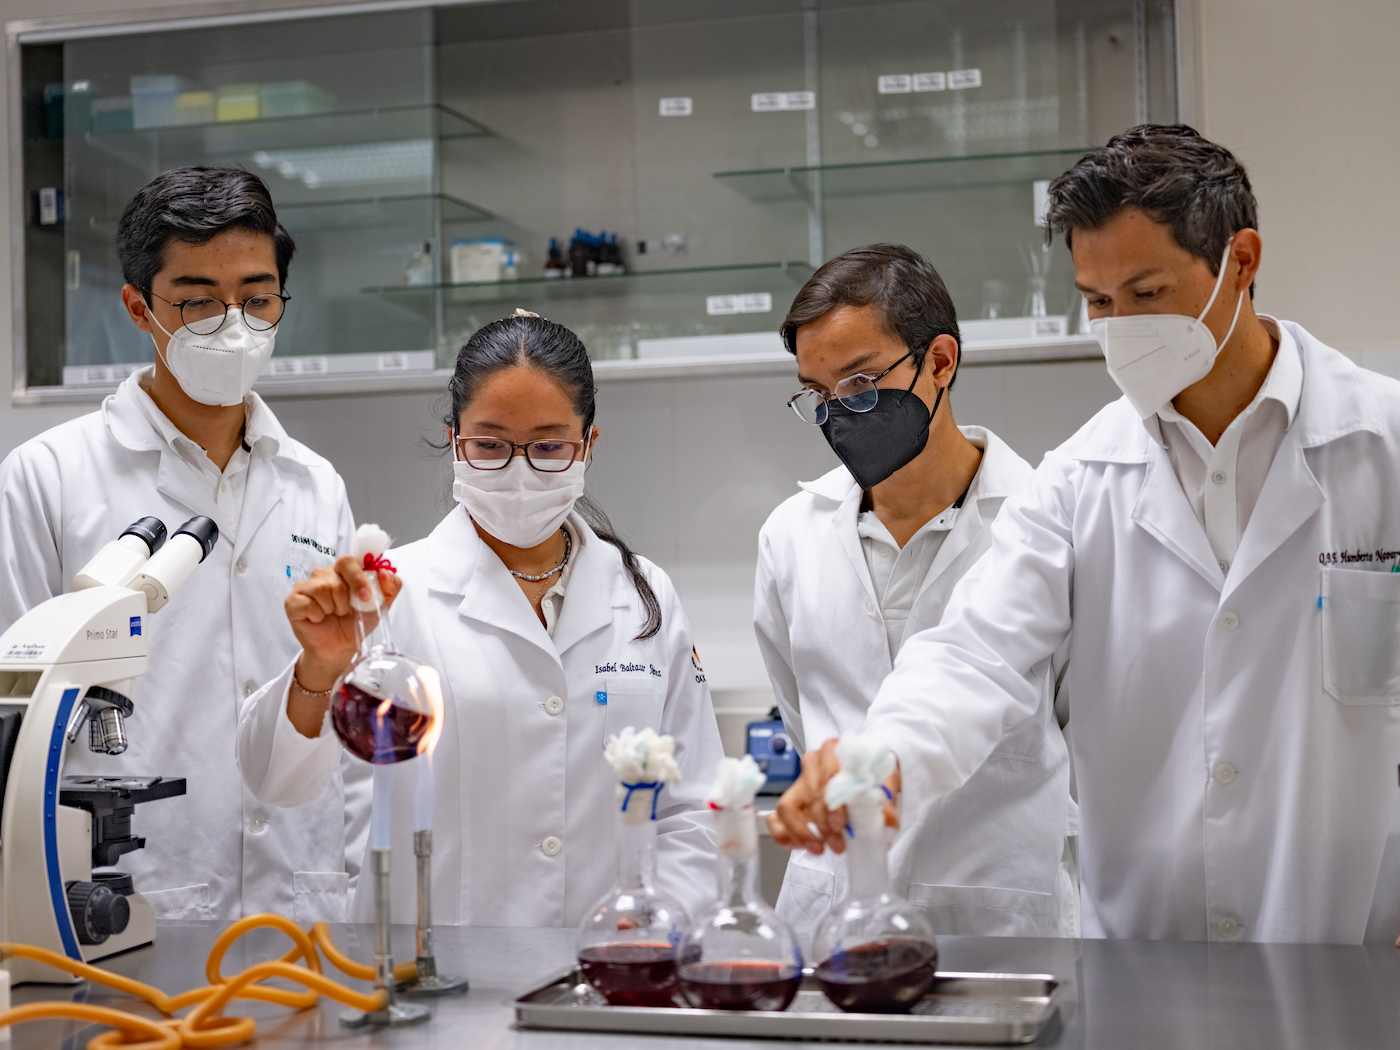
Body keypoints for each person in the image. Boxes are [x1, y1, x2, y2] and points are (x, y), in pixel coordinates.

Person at [770, 124, 1400, 945]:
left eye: (1145, 294)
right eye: (1097, 302)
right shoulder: (1080, 477)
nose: (1120, 325)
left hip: (1351, 947)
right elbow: (974, 653)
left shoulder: (1381, 446)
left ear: (1240, 262)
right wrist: (884, 760)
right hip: (1145, 954)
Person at [237, 312, 725, 925]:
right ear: (454, 439)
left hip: (604, 964)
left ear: (589, 445)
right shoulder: (385, 593)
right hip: (431, 967)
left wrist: (661, 919)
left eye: (549, 446)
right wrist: (318, 668)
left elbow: (691, 806)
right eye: (490, 445)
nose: (519, 471)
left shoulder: (643, 595)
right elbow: (278, 784)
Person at [0, 167, 364, 922]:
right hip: (127, 894)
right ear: (139, 307)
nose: (233, 325)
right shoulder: (48, 478)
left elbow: (341, 704)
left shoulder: (313, 484)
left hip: (301, 902)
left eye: (257, 299)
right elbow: (12, 717)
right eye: (198, 302)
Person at [756, 245, 1074, 942]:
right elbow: (802, 717)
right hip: (833, 908)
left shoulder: (1041, 522)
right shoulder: (791, 536)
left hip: (996, 913)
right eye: (817, 393)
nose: (839, 412)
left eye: (861, 383)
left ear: (939, 362)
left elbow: (1082, 728)